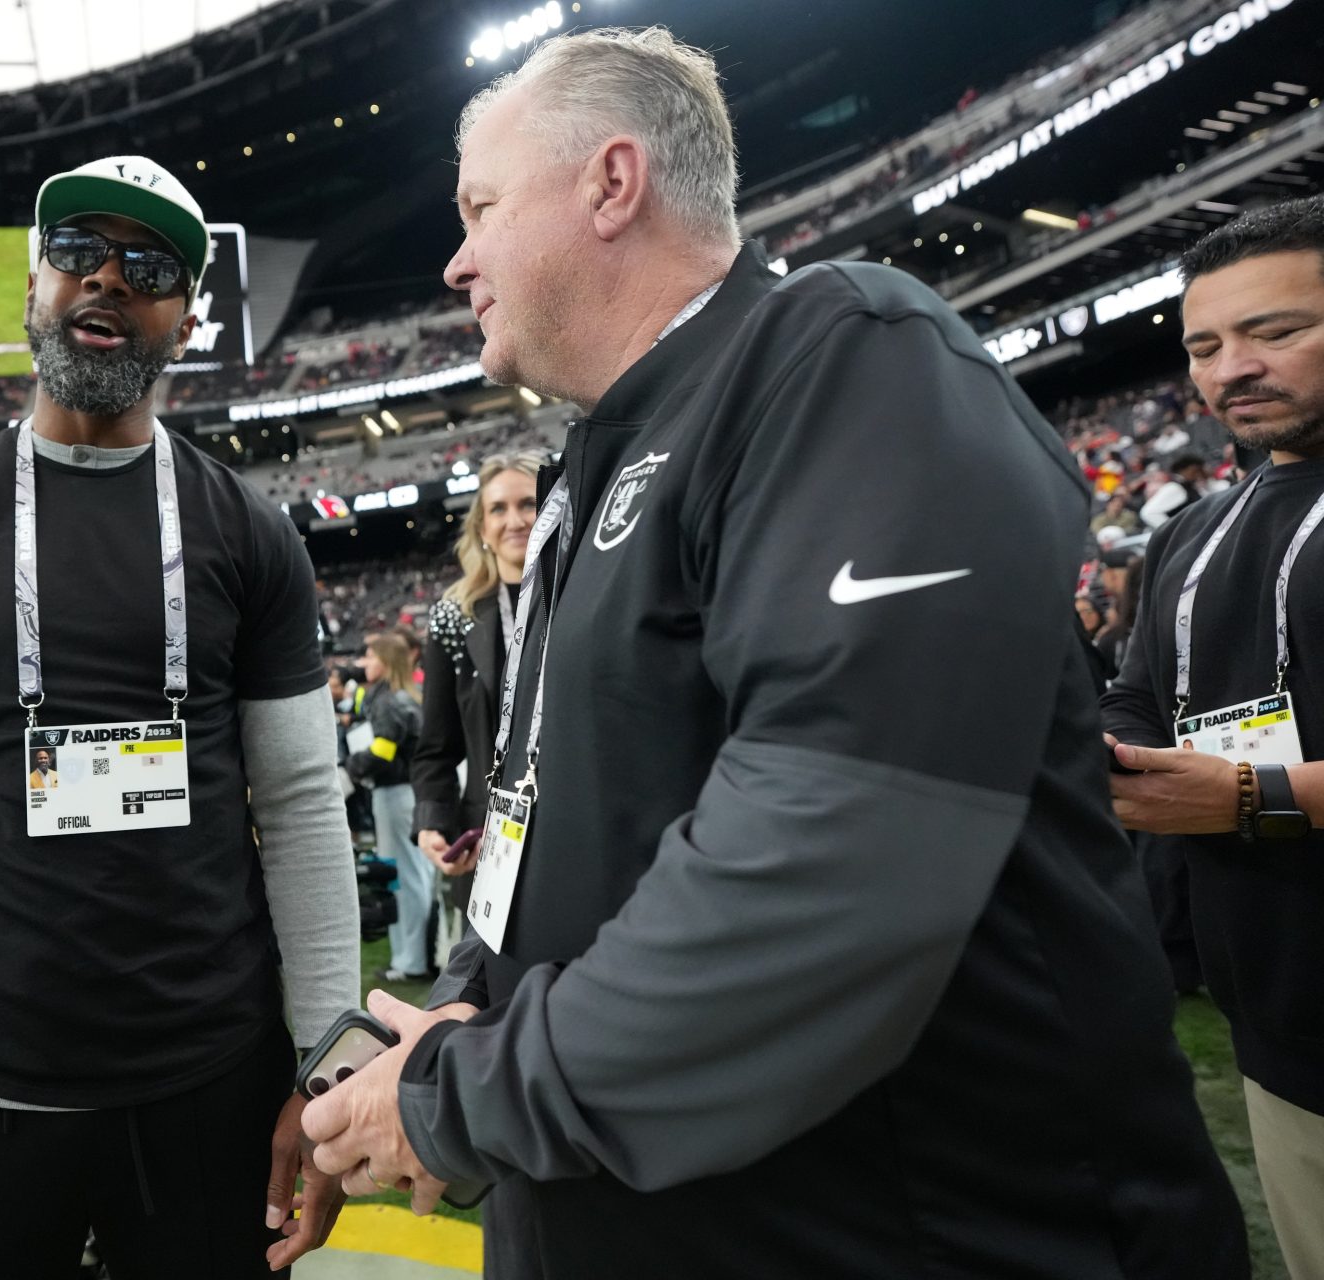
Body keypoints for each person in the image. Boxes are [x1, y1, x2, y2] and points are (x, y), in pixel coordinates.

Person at [302, 27, 1245, 1278]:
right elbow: (556, 832)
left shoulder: (842, 354)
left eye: (480, 206)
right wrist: (443, 1024)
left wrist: (464, 1092)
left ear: (611, 181)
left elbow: (834, 852)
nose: (456, 256)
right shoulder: (596, 465)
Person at [0, 155, 359, 1279]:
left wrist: (325, 1064)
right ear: (33, 282)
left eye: (147, 267)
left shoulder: (251, 531)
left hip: (211, 1083)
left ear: (186, 316)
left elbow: (297, 806)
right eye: (77, 253)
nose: (106, 280)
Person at [1103, 194, 1324, 1280]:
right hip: (1277, 1024)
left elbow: (1240, 783)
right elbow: (1138, 699)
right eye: (1205, 344)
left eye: (1276, 331)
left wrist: (1251, 797)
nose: (1233, 366)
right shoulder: (1192, 529)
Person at [412, 451, 544, 953]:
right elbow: (436, 745)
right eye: (498, 509)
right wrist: (432, 822)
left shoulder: (582, 590)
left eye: (528, 503)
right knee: (496, 986)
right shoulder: (454, 615)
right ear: (482, 527)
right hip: (489, 832)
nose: (515, 520)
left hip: (576, 817)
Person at [346, 632, 428, 982]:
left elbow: (382, 752)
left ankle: (411, 962)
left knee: (404, 878)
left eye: (370, 656)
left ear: (386, 661)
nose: (365, 662)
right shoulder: (404, 696)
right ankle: (413, 957)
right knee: (413, 876)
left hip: (395, 793)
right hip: (404, 792)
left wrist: (351, 766)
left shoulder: (389, 700)